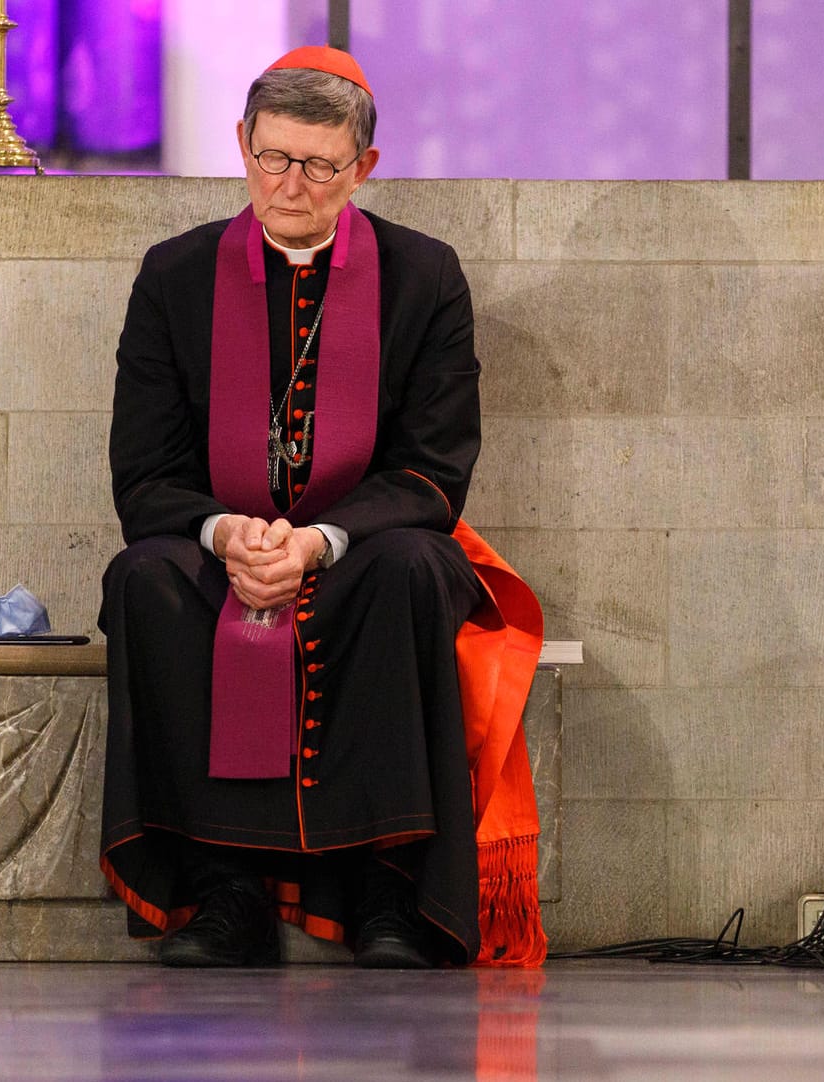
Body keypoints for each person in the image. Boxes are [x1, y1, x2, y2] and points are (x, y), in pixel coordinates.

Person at [99, 45, 547, 969]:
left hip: (358, 557)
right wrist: (227, 534)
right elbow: (145, 475)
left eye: (317, 166)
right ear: (242, 143)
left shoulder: (423, 277)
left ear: (364, 168)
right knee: (145, 577)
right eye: (272, 157)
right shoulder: (175, 276)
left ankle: (389, 895)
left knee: (417, 570)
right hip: (220, 550)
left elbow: (432, 471)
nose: (289, 184)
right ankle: (226, 896)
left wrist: (318, 541)